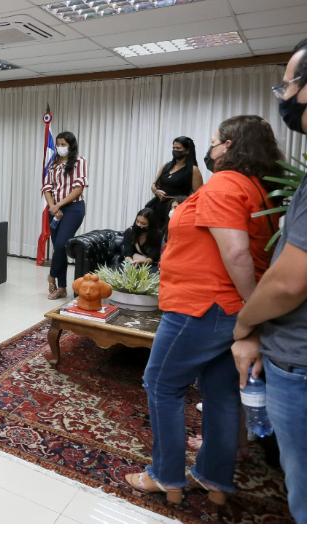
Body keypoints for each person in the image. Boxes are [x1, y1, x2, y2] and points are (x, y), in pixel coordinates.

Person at [125, 115, 282, 506]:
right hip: (227, 309)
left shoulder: (226, 184)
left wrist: (253, 312)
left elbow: (237, 254)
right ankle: (214, 479)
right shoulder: (257, 188)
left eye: (213, 141)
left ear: (229, 145)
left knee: (161, 384)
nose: (209, 149)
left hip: (203, 305)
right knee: (220, 392)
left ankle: (166, 476)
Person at [231, 39, 307, 524]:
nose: (285, 96)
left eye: (289, 84)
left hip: (300, 360)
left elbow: (289, 282)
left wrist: (245, 324)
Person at [42, 131, 88, 299]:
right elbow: (47, 187)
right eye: (58, 144)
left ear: (71, 145)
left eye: (63, 144)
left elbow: (78, 188)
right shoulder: (53, 164)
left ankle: (51, 276)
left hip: (73, 209)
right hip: (55, 210)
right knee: (58, 249)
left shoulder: (79, 161)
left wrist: (59, 205)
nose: (60, 147)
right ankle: (61, 288)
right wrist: (53, 206)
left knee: (62, 244)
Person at [145, 136, 203, 230]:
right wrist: (156, 191)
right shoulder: (166, 166)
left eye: (178, 148)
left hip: (174, 210)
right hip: (157, 206)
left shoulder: (193, 170)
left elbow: (198, 196)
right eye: (173, 148)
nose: (175, 150)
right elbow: (153, 185)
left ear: (187, 151)